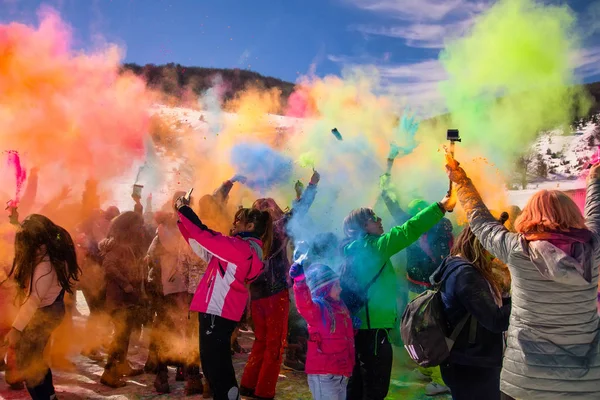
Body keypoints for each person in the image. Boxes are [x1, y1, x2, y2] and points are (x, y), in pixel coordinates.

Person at [446, 158, 600, 399]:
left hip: (525, 381)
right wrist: (595, 180)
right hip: (584, 383)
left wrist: (462, 181)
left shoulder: (517, 250)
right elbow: (596, 212)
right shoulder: (593, 248)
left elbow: (480, 220)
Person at [342, 192, 456, 400]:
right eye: (374, 218)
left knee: (358, 382)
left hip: (359, 327)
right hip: (374, 329)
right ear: (363, 227)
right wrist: (440, 207)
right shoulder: (374, 247)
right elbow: (408, 230)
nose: (380, 220)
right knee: (375, 388)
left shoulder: (351, 248)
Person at [176, 196, 273, 400]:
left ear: (251, 225)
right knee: (215, 366)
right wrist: (182, 221)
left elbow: (205, 235)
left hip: (217, 309)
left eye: (238, 221)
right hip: (222, 310)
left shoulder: (239, 249)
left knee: (217, 367)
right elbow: (203, 247)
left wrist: (184, 209)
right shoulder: (247, 250)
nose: (233, 224)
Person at [241, 170, 319, 399]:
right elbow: (300, 211)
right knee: (275, 345)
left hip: (256, 295)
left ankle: (248, 384)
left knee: (261, 341)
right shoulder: (277, 229)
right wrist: (311, 185)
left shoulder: (248, 235)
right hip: (276, 295)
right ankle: (264, 390)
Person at [2, 214, 80, 399]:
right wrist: (14, 220)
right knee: (35, 361)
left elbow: (34, 299)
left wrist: (16, 329)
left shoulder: (44, 265)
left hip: (43, 312)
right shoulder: (49, 254)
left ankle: (43, 396)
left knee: (30, 364)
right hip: (49, 310)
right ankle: (49, 395)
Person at [430, 223, 511, 399]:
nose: (496, 255)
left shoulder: (455, 264)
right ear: (482, 245)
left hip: (464, 361)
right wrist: (523, 301)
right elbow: (495, 321)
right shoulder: (466, 274)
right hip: (472, 364)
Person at [289, 259, 354, 400]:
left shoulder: (339, 305)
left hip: (340, 371)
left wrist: (352, 327)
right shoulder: (319, 309)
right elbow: (305, 306)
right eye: (336, 285)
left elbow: (339, 335)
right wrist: (300, 283)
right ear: (324, 287)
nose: (340, 289)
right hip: (324, 374)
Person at [100, 211, 147, 388]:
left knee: (124, 335)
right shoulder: (117, 245)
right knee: (120, 337)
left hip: (126, 299)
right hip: (119, 300)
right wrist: (125, 284)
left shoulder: (126, 244)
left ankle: (122, 365)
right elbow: (108, 266)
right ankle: (109, 373)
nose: (140, 228)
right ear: (128, 226)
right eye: (138, 225)